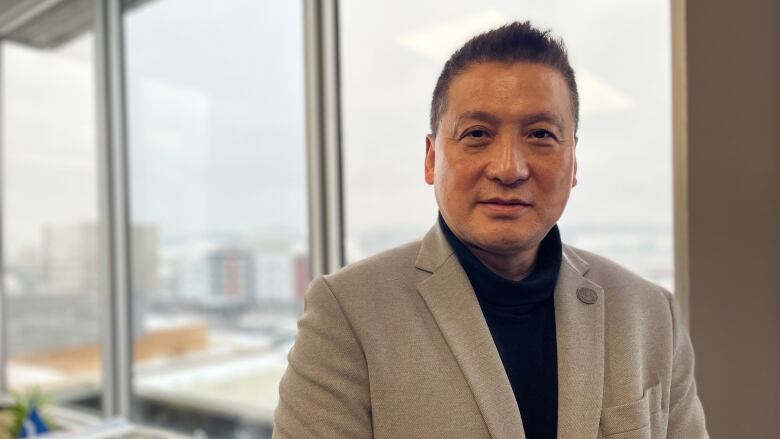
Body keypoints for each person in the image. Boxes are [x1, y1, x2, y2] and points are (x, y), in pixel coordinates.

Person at [272, 21, 708, 439]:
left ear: (573, 161)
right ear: (431, 158)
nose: (509, 168)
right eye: (477, 133)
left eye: (540, 134)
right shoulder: (349, 314)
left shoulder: (649, 315)